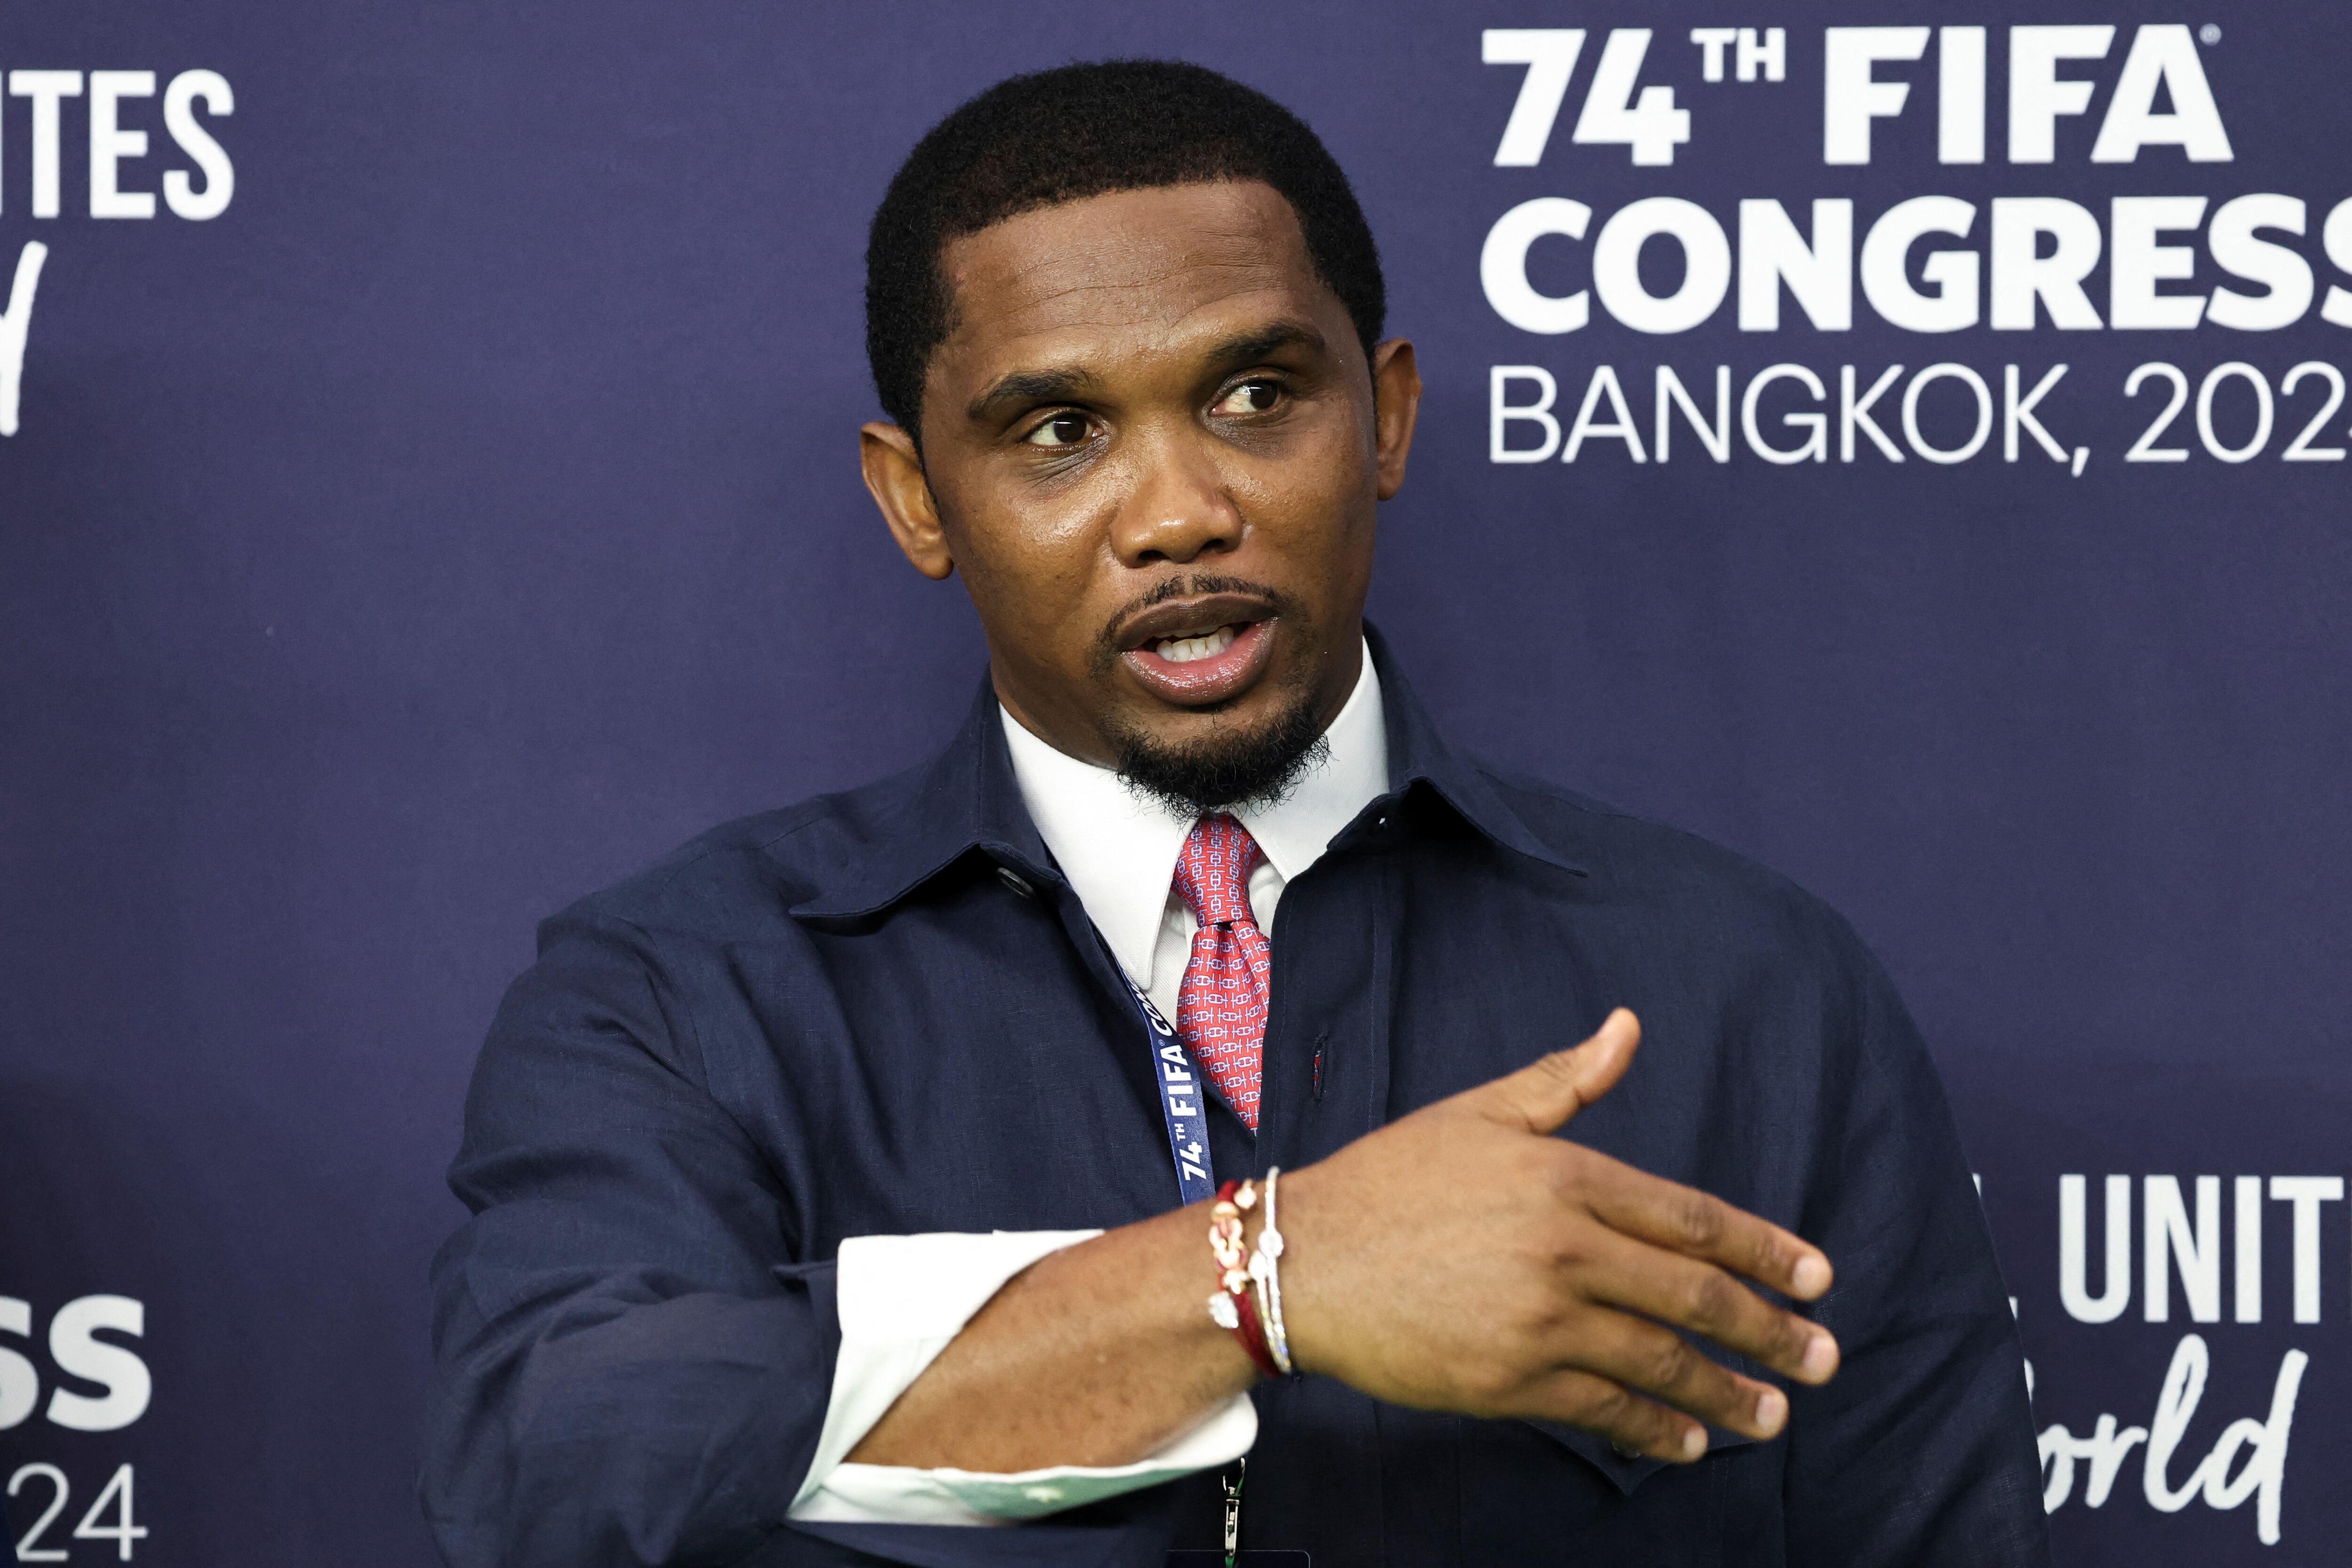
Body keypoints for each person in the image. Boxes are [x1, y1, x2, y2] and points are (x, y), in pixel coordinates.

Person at [421, 60, 2049, 1568]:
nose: (1185, 511)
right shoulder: (683, 992)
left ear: (1387, 415)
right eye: (1060, 434)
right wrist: (1266, 1275)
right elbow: (553, 1460)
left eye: (1259, 397)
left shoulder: (1749, 988)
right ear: (918, 496)